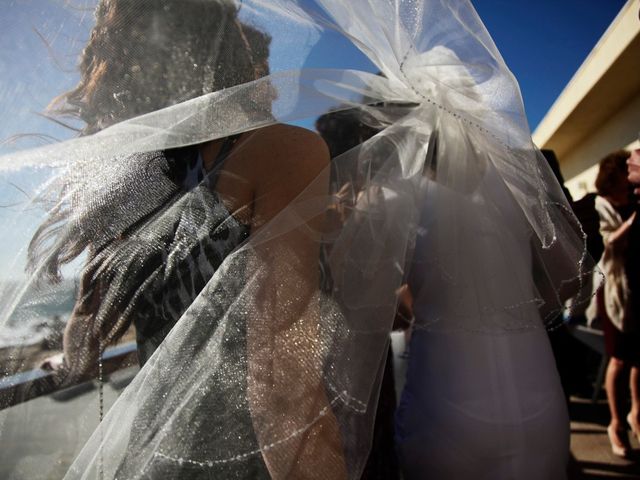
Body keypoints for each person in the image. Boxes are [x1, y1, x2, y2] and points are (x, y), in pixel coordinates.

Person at [0, 1, 596, 479]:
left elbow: (84, 343)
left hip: (153, 447)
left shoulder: (144, 186)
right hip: (249, 458)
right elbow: (283, 388)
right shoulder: (281, 151)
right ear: (236, 63)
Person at [588, 150, 640, 457]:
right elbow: (609, 243)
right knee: (619, 359)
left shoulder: (632, 202)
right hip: (614, 292)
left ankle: (636, 413)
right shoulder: (600, 205)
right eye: (626, 169)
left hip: (637, 289)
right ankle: (616, 423)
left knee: (639, 359)